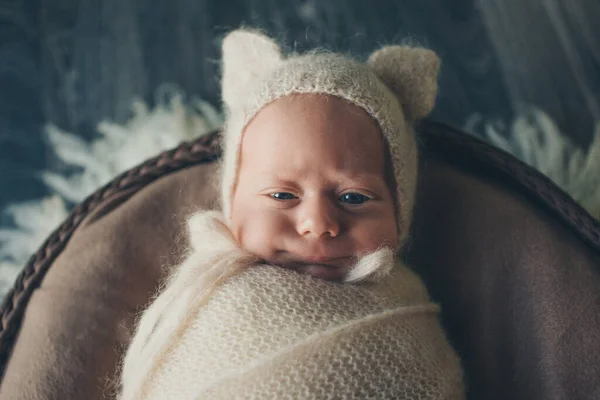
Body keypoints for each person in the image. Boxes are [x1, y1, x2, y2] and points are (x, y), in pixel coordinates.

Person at [118, 29, 465, 399]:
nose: (317, 224)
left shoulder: (405, 309)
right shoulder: (208, 289)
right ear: (233, 203)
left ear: (399, 210)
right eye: (283, 194)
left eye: (354, 197)